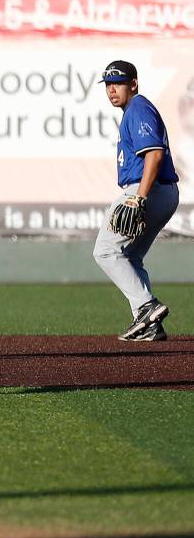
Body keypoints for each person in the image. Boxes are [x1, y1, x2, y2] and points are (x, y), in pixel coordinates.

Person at [93, 60, 180, 341]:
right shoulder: (133, 110)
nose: (111, 90)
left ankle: (147, 306)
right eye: (108, 85)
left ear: (134, 83)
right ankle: (149, 325)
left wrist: (138, 198)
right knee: (129, 256)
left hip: (146, 190)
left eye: (117, 83)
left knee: (105, 251)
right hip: (162, 192)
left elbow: (153, 155)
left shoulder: (138, 107)